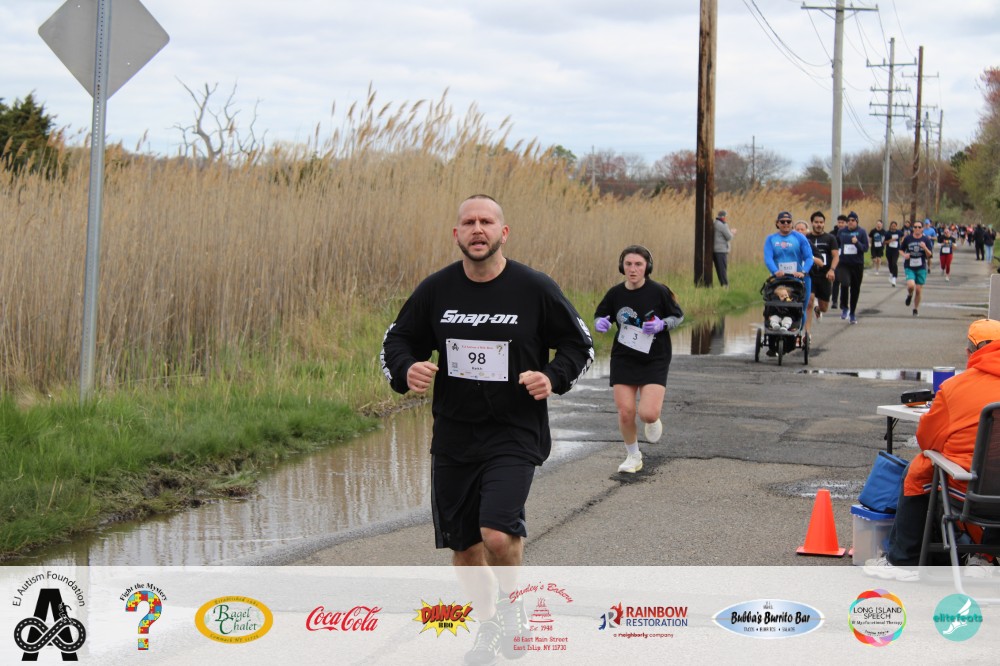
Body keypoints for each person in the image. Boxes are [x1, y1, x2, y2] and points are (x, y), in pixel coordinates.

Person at [380, 194, 594, 664]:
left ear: (503, 232)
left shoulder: (534, 288)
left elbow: (580, 345)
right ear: (457, 234)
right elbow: (396, 340)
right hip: (455, 435)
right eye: (469, 222)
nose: (478, 229)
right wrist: (406, 368)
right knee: (465, 550)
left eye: (487, 221)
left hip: (514, 430)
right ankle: (491, 624)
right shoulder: (437, 290)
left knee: (496, 533)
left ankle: (513, 611)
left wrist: (552, 377)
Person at [864, 319, 1000, 581]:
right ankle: (985, 556)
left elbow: (927, 440)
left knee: (919, 469)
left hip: (967, 490)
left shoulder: (954, 388)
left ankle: (903, 560)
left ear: (970, 352)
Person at [593, 245, 683, 474]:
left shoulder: (658, 292)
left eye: (638, 264)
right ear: (622, 266)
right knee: (625, 411)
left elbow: (678, 316)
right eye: (628, 264)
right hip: (624, 357)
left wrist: (663, 324)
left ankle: (653, 420)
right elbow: (601, 314)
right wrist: (600, 323)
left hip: (655, 357)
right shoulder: (615, 294)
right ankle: (633, 456)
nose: (633, 269)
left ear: (647, 267)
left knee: (647, 413)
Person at [763, 211, 812, 355]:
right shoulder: (771, 239)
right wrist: (775, 270)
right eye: (782, 222)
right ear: (777, 223)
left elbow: (809, 257)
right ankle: (773, 339)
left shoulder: (799, 238)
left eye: (788, 222)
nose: (785, 224)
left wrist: (803, 271)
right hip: (779, 279)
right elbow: (768, 257)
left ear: (792, 223)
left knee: (800, 307)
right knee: (775, 305)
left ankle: (795, 335)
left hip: (798, 279)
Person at [804, 210, 839, 337]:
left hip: (825, 275)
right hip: (810, 274)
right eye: (816, 222)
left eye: (821, 222)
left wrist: (832, 270)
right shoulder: (806, 238)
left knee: (824, 307)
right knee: (809, 301)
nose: (819, 225)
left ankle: (818, 309)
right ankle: (807, 333)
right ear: (812, 223)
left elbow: (835, 256)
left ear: (824, 224)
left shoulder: (830, 238)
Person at [834, 211, 869, 324]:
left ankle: (852, 313)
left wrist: (857, 243)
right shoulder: (841, 232)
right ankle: (845, 307)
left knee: (855, 289)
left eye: (853, 220)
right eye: (848, 220)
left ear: (857, 221)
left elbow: (865, 248)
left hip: (857, 264)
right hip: (844, 264)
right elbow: (836, 245)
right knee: (844, 284)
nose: (850, 222)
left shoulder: (862, 232)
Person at [902, 220, 934, 317]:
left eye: (919, 227)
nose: (917, 229)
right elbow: (901, 249)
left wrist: (925, 248)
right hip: (909, 266)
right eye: (915, 227)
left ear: (922, 229)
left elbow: (930, 255)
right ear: (913, 228)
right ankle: (909, 295)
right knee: (911, 286)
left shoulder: (926, 240)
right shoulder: (908, 238)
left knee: (919, 290)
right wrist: (904, 255)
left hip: (921, 267)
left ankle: (915, 309)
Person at [713, 210, 736, 288]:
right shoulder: (723, 225)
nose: (726, 218)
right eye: (725, 217)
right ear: (723, 217)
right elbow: (729, 237)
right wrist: (732, 232)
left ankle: (723, 285)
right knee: (723, 269)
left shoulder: (715, 223)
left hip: (716, 250)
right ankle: (725, 286)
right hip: (721, 251)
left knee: (719, 269)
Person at [830, 214, 848, 309]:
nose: (840, 224)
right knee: (836, 281)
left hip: (845, 260)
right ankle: (834, 301)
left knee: (845, 282)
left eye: (842, 222)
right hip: (835, 260)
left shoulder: (848, 233)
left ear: (846, 223)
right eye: (839, 222)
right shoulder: (832, 233)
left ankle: (843, 302)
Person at [885, 220, 902, 287]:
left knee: (894, 263)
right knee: (890, 263)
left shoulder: (899, 232)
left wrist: (902, 240)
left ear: (896, 226)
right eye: (892, 226)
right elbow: (884, 242)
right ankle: (891, 273)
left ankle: (894, 278)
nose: (893, 227)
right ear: (890, 226)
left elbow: (903, 235)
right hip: (889, 250)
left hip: (896, 250)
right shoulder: (887, 233)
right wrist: (890, 240)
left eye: (895, 226)